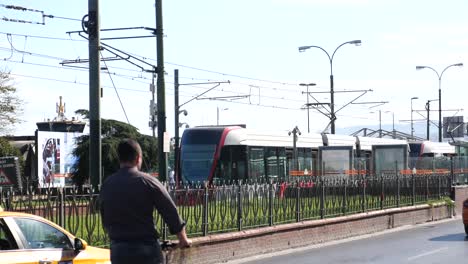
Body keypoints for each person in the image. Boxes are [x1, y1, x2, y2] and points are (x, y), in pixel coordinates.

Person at [99, 139, 191, 264]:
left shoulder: (107, 184)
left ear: (119, 159)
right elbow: (170, 210)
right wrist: (183, 239)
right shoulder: (148, 181)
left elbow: (104, 215)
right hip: (146, 251)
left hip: (118, 251)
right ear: (138, 158)